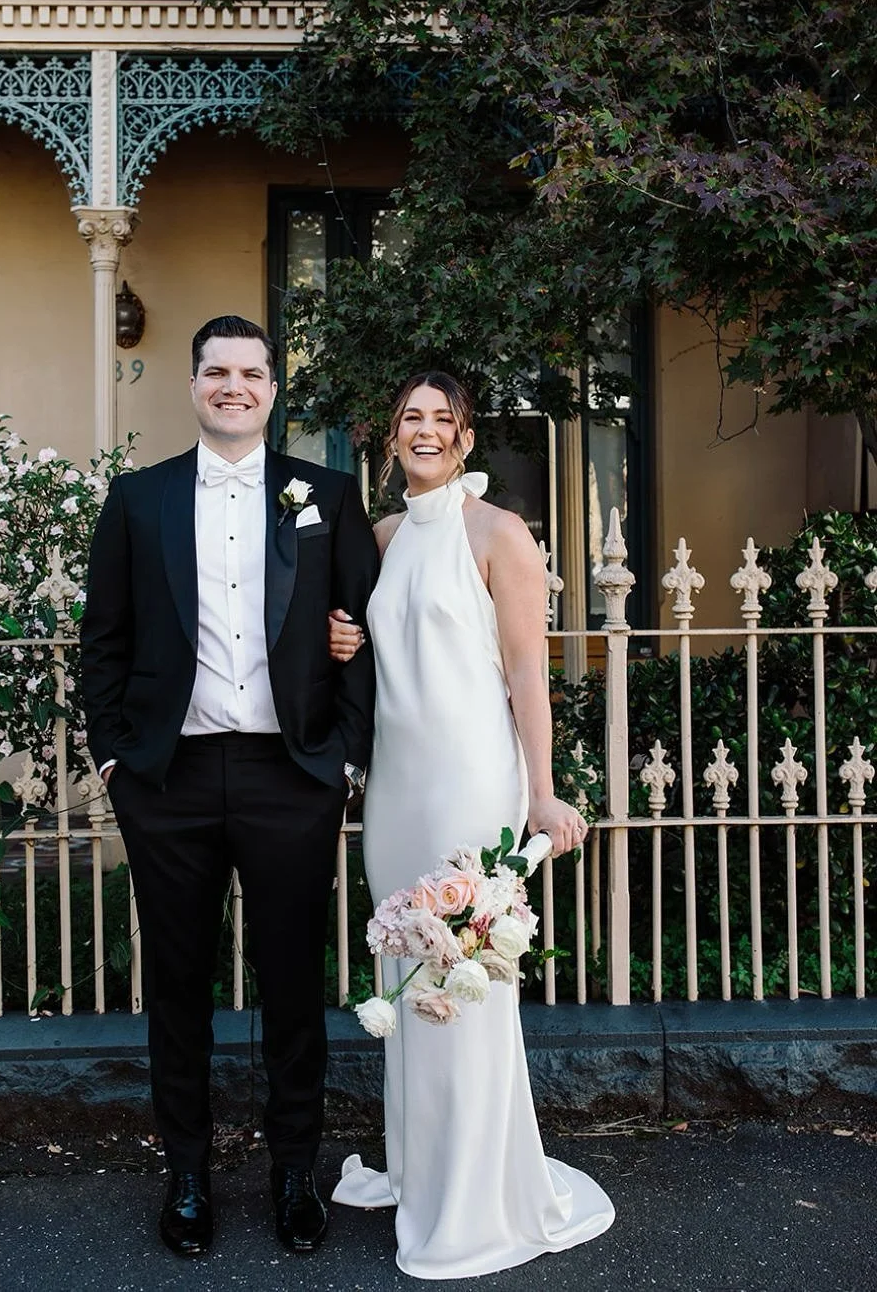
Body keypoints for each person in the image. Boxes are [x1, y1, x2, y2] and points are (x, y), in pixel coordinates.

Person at [80, 315, 378, 1259]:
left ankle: (295, 1171)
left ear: (274, 388)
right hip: (168, 777)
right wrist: (116, 760)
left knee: (292, 981)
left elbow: (365, 633)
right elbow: (105, 640)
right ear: (195, 383)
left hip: (290, 774)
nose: (235, 387)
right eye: (219, 372)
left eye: (252, 373)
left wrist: (342, 756)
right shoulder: (139, 499)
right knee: (177, 984)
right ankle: (189, 1178)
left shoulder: (325, 493)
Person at [327, 372, 615, 1279]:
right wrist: (345, 640)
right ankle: (421, 1169)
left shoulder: (500, 533)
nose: (423, 430)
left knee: (463, 978)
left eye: (440, 419)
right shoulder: (375, 539)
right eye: (408, 417)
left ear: (465, 437)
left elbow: (527, 673)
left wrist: (541, 790)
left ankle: (475, 1195)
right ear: (390, 437)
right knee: (405, 977)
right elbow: (372, 650)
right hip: (396, 789)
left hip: (470, 786)